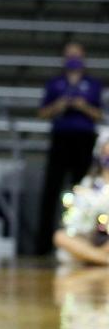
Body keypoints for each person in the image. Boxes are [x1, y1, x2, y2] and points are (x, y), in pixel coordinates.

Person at [38, 42, 104, 254]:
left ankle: (87, 242)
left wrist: (82, 106)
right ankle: (43, 246)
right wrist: (61, 105)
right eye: (69, 54)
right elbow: (43, 112)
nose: (73, 58)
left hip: (84, 140)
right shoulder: (55, 83)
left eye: (77, 54)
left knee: (83, 191)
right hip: (61, 139)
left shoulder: (92, 84)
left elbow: (99, 114)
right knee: (51, 191)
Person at [54, 137, 109, 265]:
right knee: (60, 236)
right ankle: (102, 259)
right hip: (90, 237)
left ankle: (92, 257)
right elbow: (77, 220)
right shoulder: (89, 183)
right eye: (106, 157)